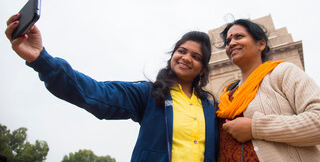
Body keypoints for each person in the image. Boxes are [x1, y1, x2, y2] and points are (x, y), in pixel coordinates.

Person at [5, 13, 219, 162]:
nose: (186, 57)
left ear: (202, 69)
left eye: (196, 56)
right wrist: (41, 60)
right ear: (173, 56)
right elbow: (94, 92)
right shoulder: (150, 94)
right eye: (181, 51)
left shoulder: (210, 108)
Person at [216, 19, 320, 162]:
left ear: (261, 44)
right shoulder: (227, 95)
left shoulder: (283, 72)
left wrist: (255, 128)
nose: (231, 43)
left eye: (239, 37)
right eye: (228, 42)